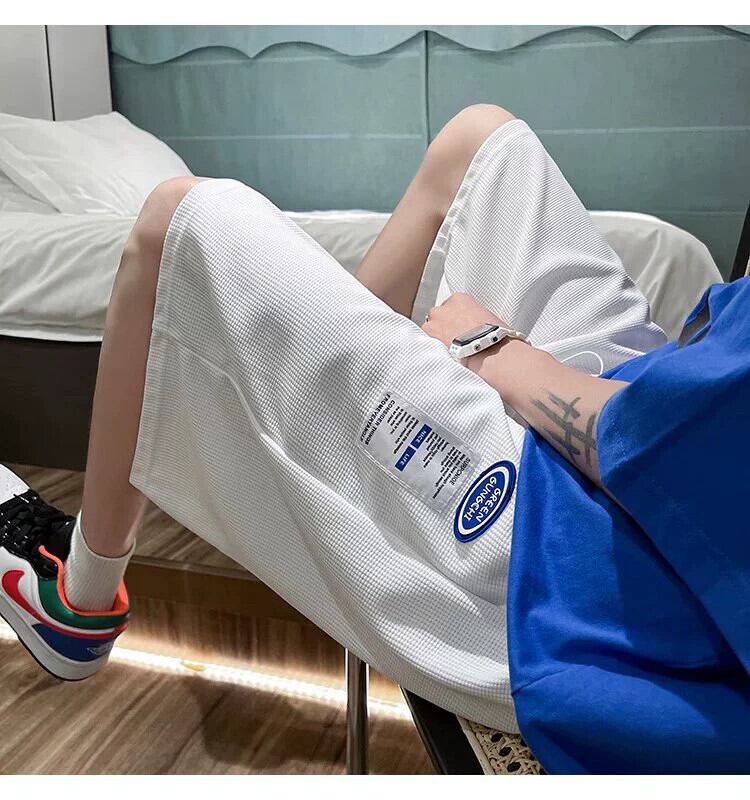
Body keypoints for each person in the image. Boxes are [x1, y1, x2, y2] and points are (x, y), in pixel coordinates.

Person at [0, 105, 747, 774]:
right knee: (480, 140)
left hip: (601, 566)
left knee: (177, 220)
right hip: (663, 402)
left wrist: (498, 355)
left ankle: (77, 599)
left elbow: (680, 457)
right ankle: (337, 421)